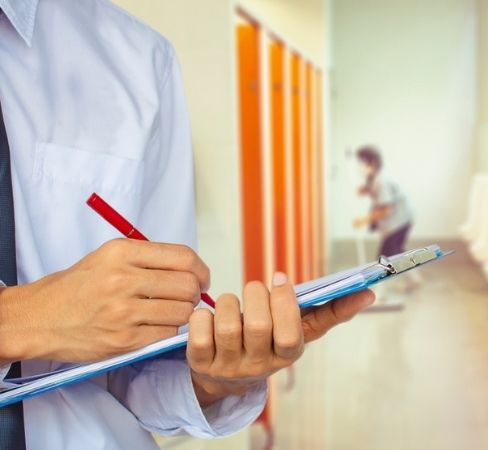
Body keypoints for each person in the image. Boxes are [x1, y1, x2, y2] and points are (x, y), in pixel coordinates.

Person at [0, 0, 373, 448]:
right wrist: (20, 320)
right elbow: (54, 318)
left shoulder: (135, 57)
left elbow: (136, 373)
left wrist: (215, 382)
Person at [352, 145, 415, 260]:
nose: (359, 166)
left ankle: (412, 274)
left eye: (361, 162)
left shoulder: (381, 180)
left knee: (387, 258)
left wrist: (364, 220)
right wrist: (365, 190)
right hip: (400, 220)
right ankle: (413, 274)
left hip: (399, 222)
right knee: (395, 253)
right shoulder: (375, 177)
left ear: (373, 162)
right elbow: (376, 191)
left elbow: (386, 209)